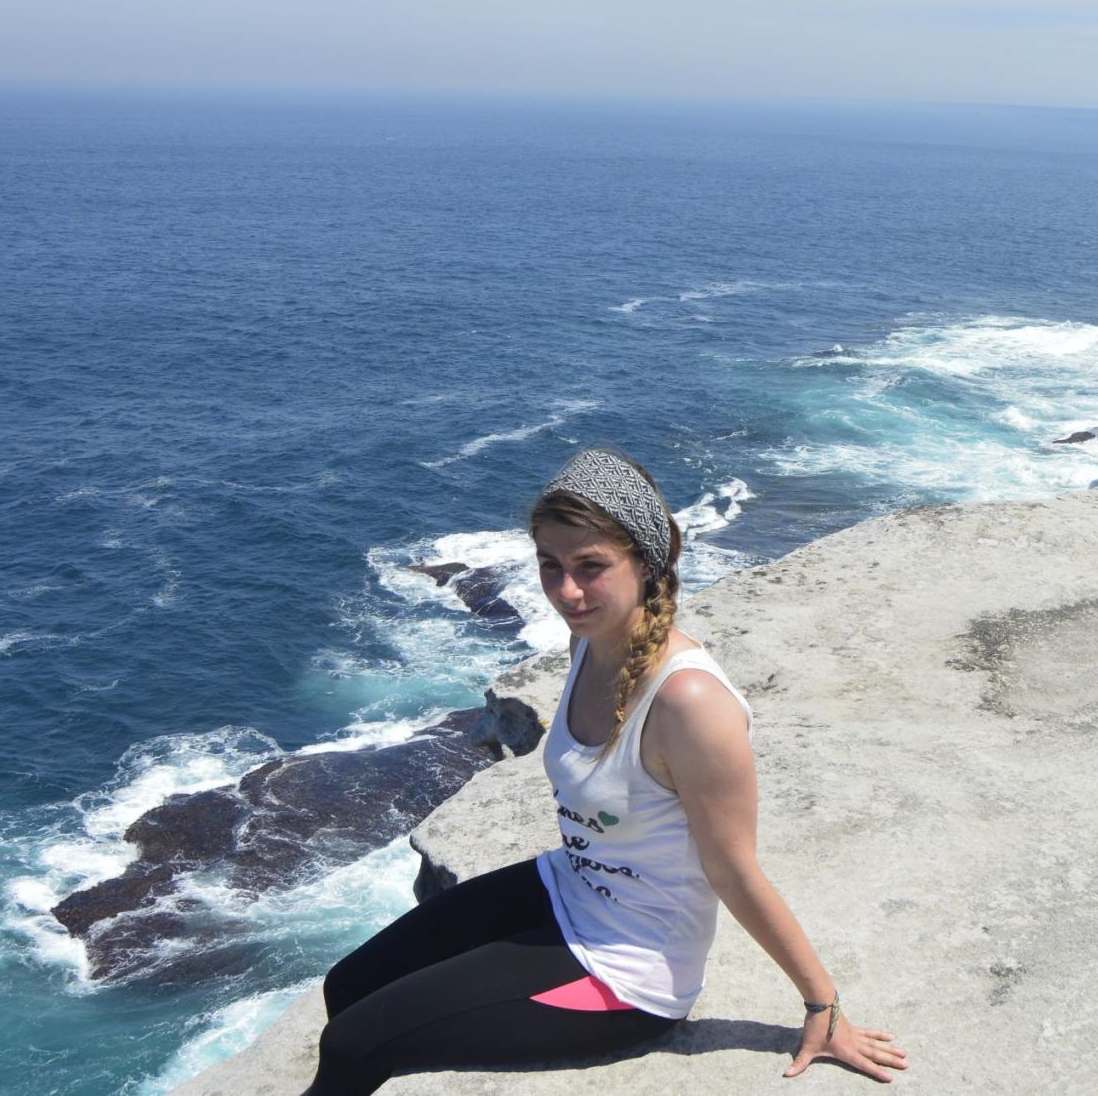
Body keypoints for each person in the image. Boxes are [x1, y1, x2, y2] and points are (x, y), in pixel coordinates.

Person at [310, 445, 906, 1093]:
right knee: (347, 986)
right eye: (550, 566)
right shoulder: (588, 642)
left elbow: (734, 870)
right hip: (567, 888)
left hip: (625, 972)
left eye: (591, 567)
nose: (567, 591)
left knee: (352, 1044)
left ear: (647, 562)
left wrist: (822, 1004)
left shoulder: (689, 702)